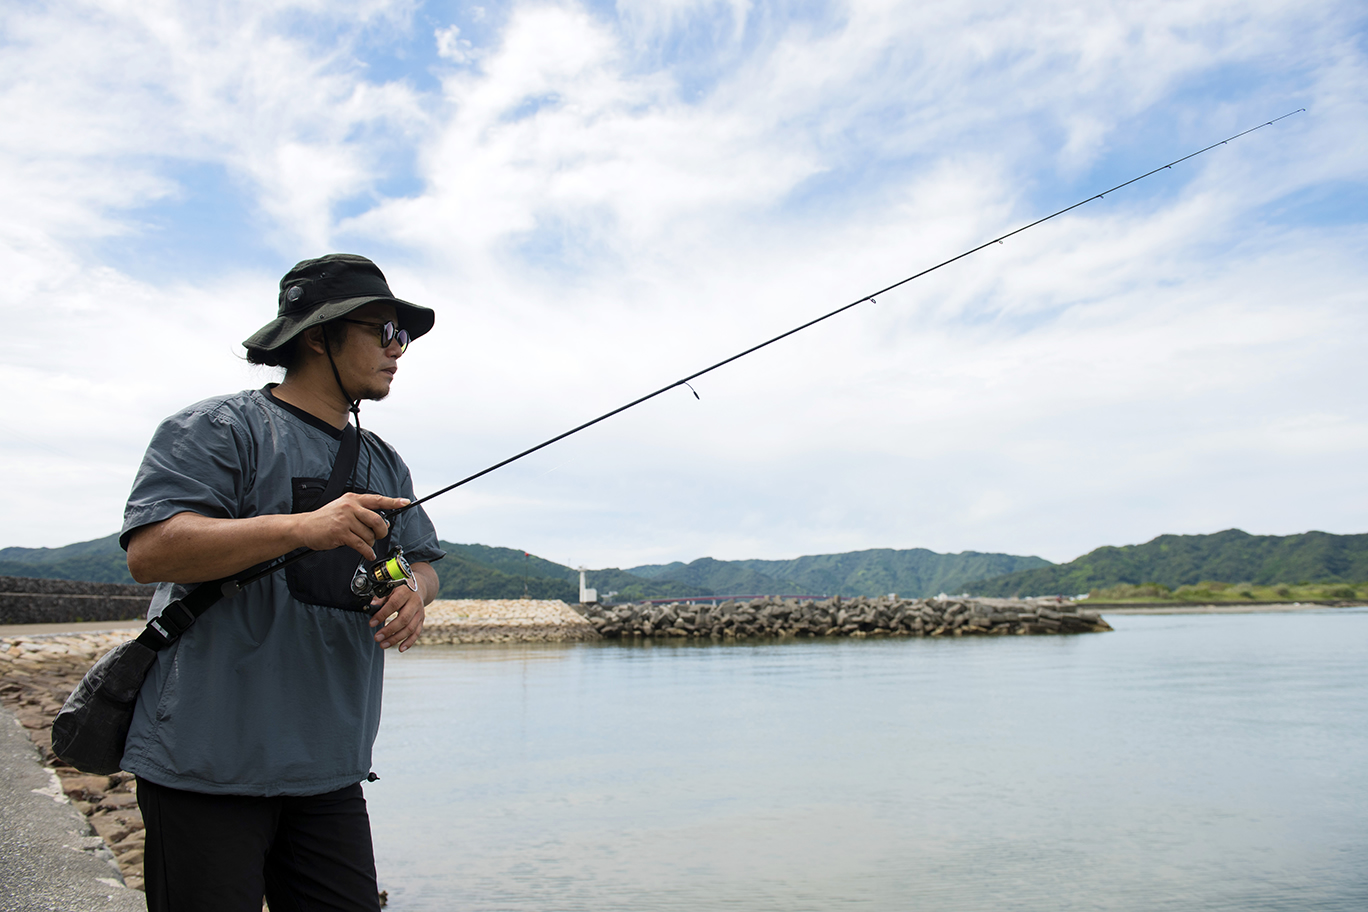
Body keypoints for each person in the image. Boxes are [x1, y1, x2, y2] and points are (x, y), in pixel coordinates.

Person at [119, 253, 445, 911]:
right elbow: (152, 552)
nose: (397, 351)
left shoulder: (383, 462)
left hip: (328, 771)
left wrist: (410, 589)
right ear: (317, 335)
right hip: (204, 767)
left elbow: (418, 559)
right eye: (382, 332)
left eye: (402, 336)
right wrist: (302, 528)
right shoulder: (220, 429)